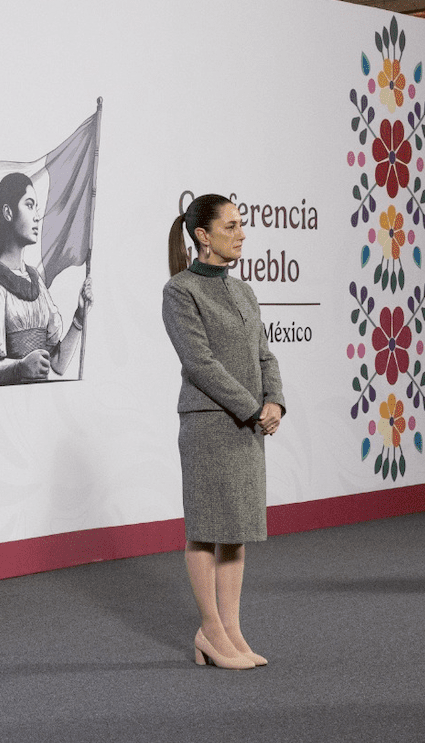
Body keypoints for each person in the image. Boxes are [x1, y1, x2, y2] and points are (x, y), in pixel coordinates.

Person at [162, 194, 285, 670]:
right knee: (206, 528)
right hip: (209, 425)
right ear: (203, 236)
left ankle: (232, 630)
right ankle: (209, 630)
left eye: (241, 224)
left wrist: (274, 401)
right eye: (231, 226)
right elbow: (200, 364)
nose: (241, 233)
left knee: (236, 530)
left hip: (247, 425)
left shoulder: (244, 291)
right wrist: (253, 408)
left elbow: (264, 354)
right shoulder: (181, 291)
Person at [0, 172, 93, 388]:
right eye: (29, 205)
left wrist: (79, 317)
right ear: (8, 212)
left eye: (36, 207)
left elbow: (58, 364)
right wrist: (19, 367)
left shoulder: (35, 281)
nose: (37, 216)